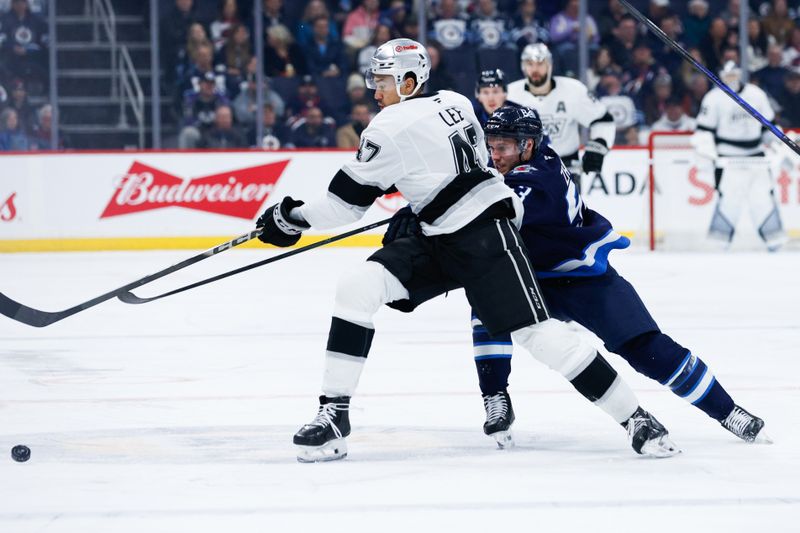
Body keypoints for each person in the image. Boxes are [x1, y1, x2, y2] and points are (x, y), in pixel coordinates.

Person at [255, 38, 678, 463]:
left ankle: (637, 419)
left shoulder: (387, 127)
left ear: (407, 81)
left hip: (484, 236)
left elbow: (343, 207)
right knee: (357, 287)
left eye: (382, 80)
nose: (374, 89)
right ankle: (334, 415)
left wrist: (289, 217)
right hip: (438, 232)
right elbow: (453, 170)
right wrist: (418, 205)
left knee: (538, 334)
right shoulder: (455, 101)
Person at [442, 103, 768, 448]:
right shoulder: (534, 158)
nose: (495, 155)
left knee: (646, 350)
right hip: (534, 279)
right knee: (486, 300)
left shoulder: (536, 180)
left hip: (581, 277)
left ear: (527, 145)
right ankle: (495, 397)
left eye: (503, 147)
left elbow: (484, 217)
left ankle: (728, 410)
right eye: (491, 147)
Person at [692, 61, 787, 251]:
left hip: (756, 157)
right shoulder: (713, 98)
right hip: (727, 159)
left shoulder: (756, 94)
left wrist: (780, 142)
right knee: (728, 202)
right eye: (727, 76)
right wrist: (708, 153)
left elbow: (768, 127)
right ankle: (719, 244)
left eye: (734, 75)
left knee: (763, 200)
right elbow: (703, 132)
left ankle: (774, 242)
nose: (731, 80)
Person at [507, 43, 615, 177]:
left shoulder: (573, 90)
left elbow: (603, 120)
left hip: (566, 169)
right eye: (530, 64)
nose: (535, 69)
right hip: (523, 171)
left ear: (550, 65)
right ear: (523, 67)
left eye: (540, 63)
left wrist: (598, 146)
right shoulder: (510, 94)